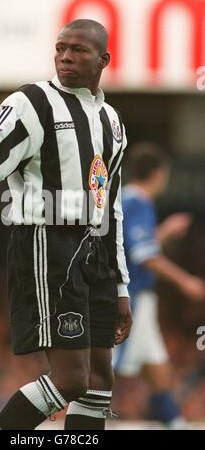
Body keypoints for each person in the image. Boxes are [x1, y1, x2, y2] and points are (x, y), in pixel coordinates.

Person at [0, 19, 132, 430]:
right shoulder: (33, 101)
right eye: (60, 48)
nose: (65, 57)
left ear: (104, 59)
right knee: (72, 379)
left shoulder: (112, 122)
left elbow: (113, 207)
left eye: (78, 50)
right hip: (46, 242)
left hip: (96, 250)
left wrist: (120, 284)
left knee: (100, 382)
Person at [114, 142, 205, 429]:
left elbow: (131, 247)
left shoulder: (125, 199)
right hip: (133, 297)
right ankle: (59, 418)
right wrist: (185, 281)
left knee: (158, 370)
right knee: (106, 370)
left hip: (137, 297)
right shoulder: (139, 201)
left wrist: (164, 231)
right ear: (158, 173)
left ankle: (176, 424)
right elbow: (144, 256)